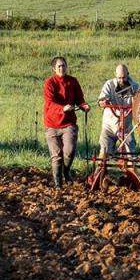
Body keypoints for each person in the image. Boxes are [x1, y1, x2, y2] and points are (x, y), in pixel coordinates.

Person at [43, 56, 90, 188]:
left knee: (69, 151)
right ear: (54, 69)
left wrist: (84, 106)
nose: (62, 68)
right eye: (59, 66)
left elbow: (80, 99)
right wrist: (62, 108)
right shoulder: (49, 83)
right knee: (56, 155)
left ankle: (66, 170)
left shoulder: (73, 81)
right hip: (51, 124)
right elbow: (50, 102)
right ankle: (58, 183)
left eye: (63, 65)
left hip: (69, 123)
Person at [97, 63, 139, 158]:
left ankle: (130, 170)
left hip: (126, 127)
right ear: (116, 75)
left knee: (130, 154)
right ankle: (100, 170)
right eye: (119, 78)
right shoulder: (109, 84)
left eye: (123, 77)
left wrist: (136, 98)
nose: (121, 80)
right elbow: (101, 100)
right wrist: (103, 102)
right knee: (104, 152)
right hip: (109, 126)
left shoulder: (135, 86)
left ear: (128, 74)